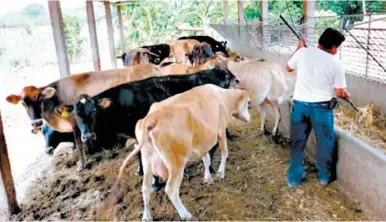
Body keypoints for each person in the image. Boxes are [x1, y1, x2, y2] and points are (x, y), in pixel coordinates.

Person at [285, 28, 350, 187]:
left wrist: (298, 49)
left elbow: (288, 68)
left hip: (299, 106)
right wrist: (346, 95)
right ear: (334, 47)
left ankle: (293, 179)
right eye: (338, 47)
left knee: (297, 143)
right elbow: (339, 91)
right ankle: (324, 178)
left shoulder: (302, 52)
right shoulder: (336, 63)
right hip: (321, 108)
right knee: (325, 142)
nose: (337, 51)